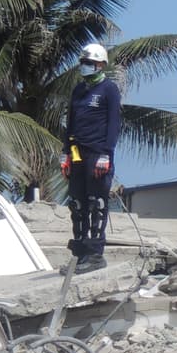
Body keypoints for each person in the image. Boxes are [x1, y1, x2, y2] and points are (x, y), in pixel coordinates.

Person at [61, 43, 120, 273]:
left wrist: (106, 153)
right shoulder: (78, 90)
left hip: (98, 153)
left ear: (101, 65)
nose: (84, 67)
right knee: (77, 203)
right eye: (82, 63)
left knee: (97, 202)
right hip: (77, 152)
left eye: (89, 63)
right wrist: (65, 152)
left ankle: (95, 254)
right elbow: (70, 123)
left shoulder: (109, 89)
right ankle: (79, 254)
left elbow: (114, 124)